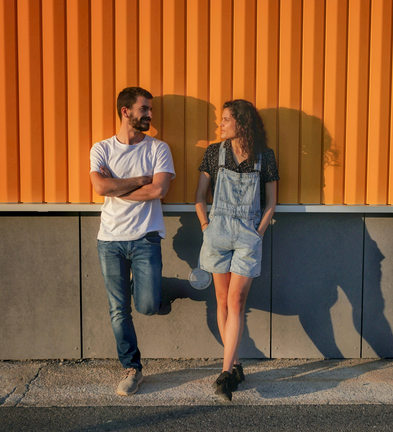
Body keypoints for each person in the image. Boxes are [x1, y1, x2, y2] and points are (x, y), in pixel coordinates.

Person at [89, 87, 176, 396]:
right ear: (125, 111)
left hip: (145, 239)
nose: (149, 115)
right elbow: (100, 187)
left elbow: (158, 191)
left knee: (148, 305)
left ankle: (165, 287)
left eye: (149, 110)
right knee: (118, 310)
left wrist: (117, 186)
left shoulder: (158, 149)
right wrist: (142, 179)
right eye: (144, 109)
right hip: (110, 240)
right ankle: (132, 368)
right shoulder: (101, 149)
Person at [194, 99, 279, 401]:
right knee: (221, 301)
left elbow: (271, 203)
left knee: (236, 299)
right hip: (217, 233)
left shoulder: (264, 157)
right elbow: (199, 196)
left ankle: (224, 373)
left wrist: (258, 233)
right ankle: (235, 366)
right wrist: (206, 226)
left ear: (242, 122)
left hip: (247, 236)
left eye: (226, 119)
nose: (221, 124)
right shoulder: (214, 153)